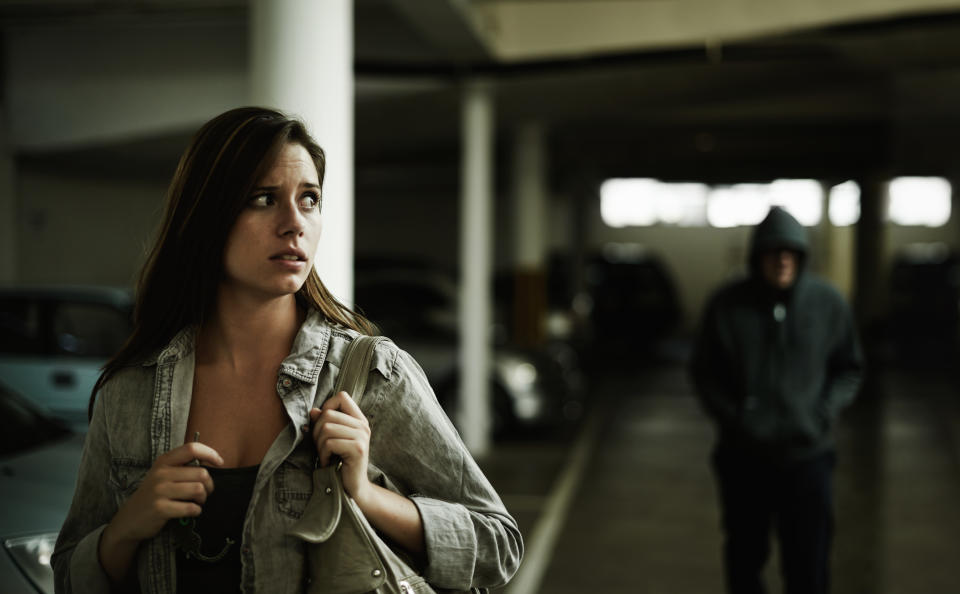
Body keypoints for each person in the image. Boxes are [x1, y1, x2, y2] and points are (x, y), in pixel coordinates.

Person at [52, 107, 522, 593]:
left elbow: (498, 546)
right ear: (206, 216)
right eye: (263, 198)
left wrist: (363, 493)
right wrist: (128, 526)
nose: (294, 223)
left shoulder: (370, 375)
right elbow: (66, 575)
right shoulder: (130, 391)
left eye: (310, 199)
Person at [690, 206, 863, 594]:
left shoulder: (827, 305)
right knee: (744, 561)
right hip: (744, 460)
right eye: (773, 252)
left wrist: (821, 414)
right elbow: (704, 372)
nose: (782, 260)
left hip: (808, 459)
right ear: (757, 257)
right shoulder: (727, 305)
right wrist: (734, 418)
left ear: (802, 257)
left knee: (809, 566)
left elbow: (849, 368)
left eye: (791, 252)